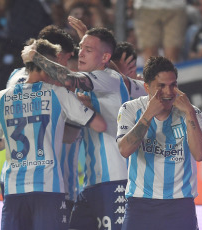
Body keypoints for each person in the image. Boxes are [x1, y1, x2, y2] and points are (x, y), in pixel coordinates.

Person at [0, 39, 106, 230]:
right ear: (44, 66)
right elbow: (99, 125)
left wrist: (11, 139)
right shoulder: (57, 93)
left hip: (14, 188)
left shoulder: (2, 96)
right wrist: (87, 106)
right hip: (48, 187)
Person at [22, 27, 130, 229]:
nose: (81, 53)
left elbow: (69, 79)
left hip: (115, 179)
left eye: (88, 49)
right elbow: (70, 135)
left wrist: (36, 57)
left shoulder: (108, 78)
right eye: (81, 47)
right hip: (90, 183)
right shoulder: (87, 88)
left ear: (105, 57)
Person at [116, 56, 202, 230]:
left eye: (173, 85)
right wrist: (148, 114)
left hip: (180, 205)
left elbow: (200, 154)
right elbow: (124, 150)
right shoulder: (130, 109)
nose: (169, 91)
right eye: (161, 86)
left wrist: (189, 113)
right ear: (147, 87)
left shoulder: (192, 112)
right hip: (140, 204)